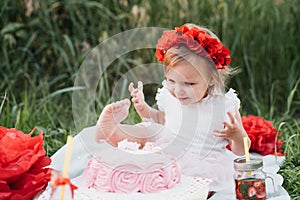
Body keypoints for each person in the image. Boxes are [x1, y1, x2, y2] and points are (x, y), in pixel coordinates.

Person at [95, 23, 250, 195]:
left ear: (212, 79)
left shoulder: (223, 105)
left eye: (188, 84)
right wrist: (144, 110)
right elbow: (162, 119)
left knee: (201, 188)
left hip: (202, 157)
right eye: (171, 81)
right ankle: (113, 133)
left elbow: (242, 151)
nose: (178, 90)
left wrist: (237, 136)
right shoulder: (170, 97)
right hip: (168, 143)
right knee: (145, 131)